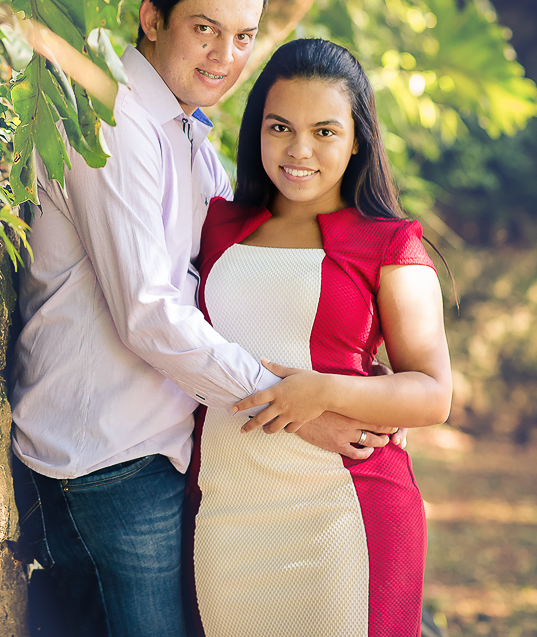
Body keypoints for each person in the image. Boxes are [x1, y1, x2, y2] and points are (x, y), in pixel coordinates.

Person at [10, 0, 398, 637]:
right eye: (205, 29)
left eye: (242, 36)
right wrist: (302, 411)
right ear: (153, 19)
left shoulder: (191, 139)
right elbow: (148, 311)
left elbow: (242, 276)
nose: (225, 55)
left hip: (170, 451)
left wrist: (348, 378)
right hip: (107, 455)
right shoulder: (114, 117)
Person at [183, 38, 453, 636]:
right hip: (229, 518)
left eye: (325, 131)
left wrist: (322, 392)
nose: (299, 150)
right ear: (256, 130)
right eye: (280, 127)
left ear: (357, 138)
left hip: (348, 511)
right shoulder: (216, 225)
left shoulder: (391, 244)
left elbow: (433, 394)